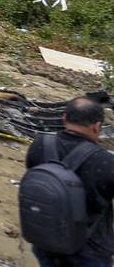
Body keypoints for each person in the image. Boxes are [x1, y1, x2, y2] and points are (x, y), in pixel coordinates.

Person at [24, 97, 114, 267]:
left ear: (64, 118)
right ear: (97, 126)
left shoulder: (40, 145)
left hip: (45, 239)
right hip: (89, 249)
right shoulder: (105, 162)